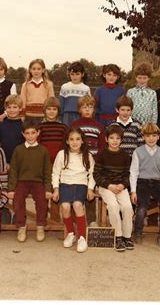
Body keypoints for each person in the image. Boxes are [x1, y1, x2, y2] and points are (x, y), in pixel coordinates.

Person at [7, 121, 52, 243]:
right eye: (27, 133)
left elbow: (47, 171)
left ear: (38, 133)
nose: (30, 136)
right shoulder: (18, 150)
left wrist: (48, 189)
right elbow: (14, 170)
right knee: (18, 201)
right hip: (22, 181)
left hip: (38, 182)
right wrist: (11, 189)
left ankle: (40, 226)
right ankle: (21, 226)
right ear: (23, 134)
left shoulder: (43, 150)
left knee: (42, 202)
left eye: (33, 133)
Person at [52, 127, 95, 253]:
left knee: (77, 204)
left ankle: (82, 237)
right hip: (65, 184)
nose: (74, 142)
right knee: (65, 206)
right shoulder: (61, 154)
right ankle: (71, 233)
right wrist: (56, 189)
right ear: (67, 141)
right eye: (71, 139)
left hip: (81, 184)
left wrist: (90, 189)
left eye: (77, 139)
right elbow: (55, 173)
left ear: (82, 141)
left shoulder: (87, 155)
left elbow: (92, 174)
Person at [130, 123, 160, 245]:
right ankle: (137, 232)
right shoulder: (138, 152)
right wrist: (133, 191)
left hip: (156, 182)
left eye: (154, 135)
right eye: (148, 136)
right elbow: (134, 172)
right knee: (142, 207)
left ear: (158, 137)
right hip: (142, 182)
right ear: (143, 137)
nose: (151, 138)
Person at [93, 125, 134, 252]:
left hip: (121, 186)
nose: (115, 141)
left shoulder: (125, 156)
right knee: (113, 206)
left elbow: (128, 174)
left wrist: (123, 185)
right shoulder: (102, 154)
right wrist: (109, 186)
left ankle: (127, 236)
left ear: (121, 140)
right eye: (112, 138)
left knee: (127, 207)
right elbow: (97, 174)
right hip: (106, 186)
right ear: (106, 139)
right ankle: (118, 237)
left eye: (117, 138)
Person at [71, 95, 105, 225]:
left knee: (90, 191)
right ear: (79, 109)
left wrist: (98, 163)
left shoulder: (99, 126)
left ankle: (91, 220)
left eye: (90, 107)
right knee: (76, 191)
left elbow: (102, 146)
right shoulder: (75, 125)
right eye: (84, 107)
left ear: (94, 109)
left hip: (93, 164)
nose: (87, 110)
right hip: (77, 164)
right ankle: (74, 220)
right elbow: (71, 144)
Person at [38, 96, 68, 222]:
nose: (51, 112)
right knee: (45, 192)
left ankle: (55, 221)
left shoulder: (63, 127)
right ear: (44, 111)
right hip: (44, 164)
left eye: (54, 109)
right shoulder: (40, 127)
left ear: (58, 111)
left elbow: (65, 145)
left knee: (56, 191)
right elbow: (37, 145)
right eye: (49, 109)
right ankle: (42, 220)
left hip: (59, 164)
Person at [20, 58, 54, 124]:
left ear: (43, 70)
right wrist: (22, 115)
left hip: (44, 116)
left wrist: (50, 115)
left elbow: (51, 101)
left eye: (39, 69)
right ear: (30, 70)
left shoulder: (49, 84)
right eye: (34, 69)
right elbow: (22, 101)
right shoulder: (25, 85)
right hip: (29, 116)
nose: (36, 71)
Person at [59, 61, 91, 126]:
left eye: (77, 74)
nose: (74, 76)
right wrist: (60, 118)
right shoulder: (64, 87)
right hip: (67, 116)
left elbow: (89, 105)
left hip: (80, 116)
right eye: (72, 74)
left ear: (82, 74)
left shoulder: (86, 88)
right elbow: (61, 105)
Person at [0, 94, 25, 164]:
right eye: (9, 107)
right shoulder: (1, 126)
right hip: (4, 162)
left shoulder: (24, 126)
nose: (11, 110)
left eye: (15, 107)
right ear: (5, 109)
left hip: (20, 162)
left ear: (20, 108)